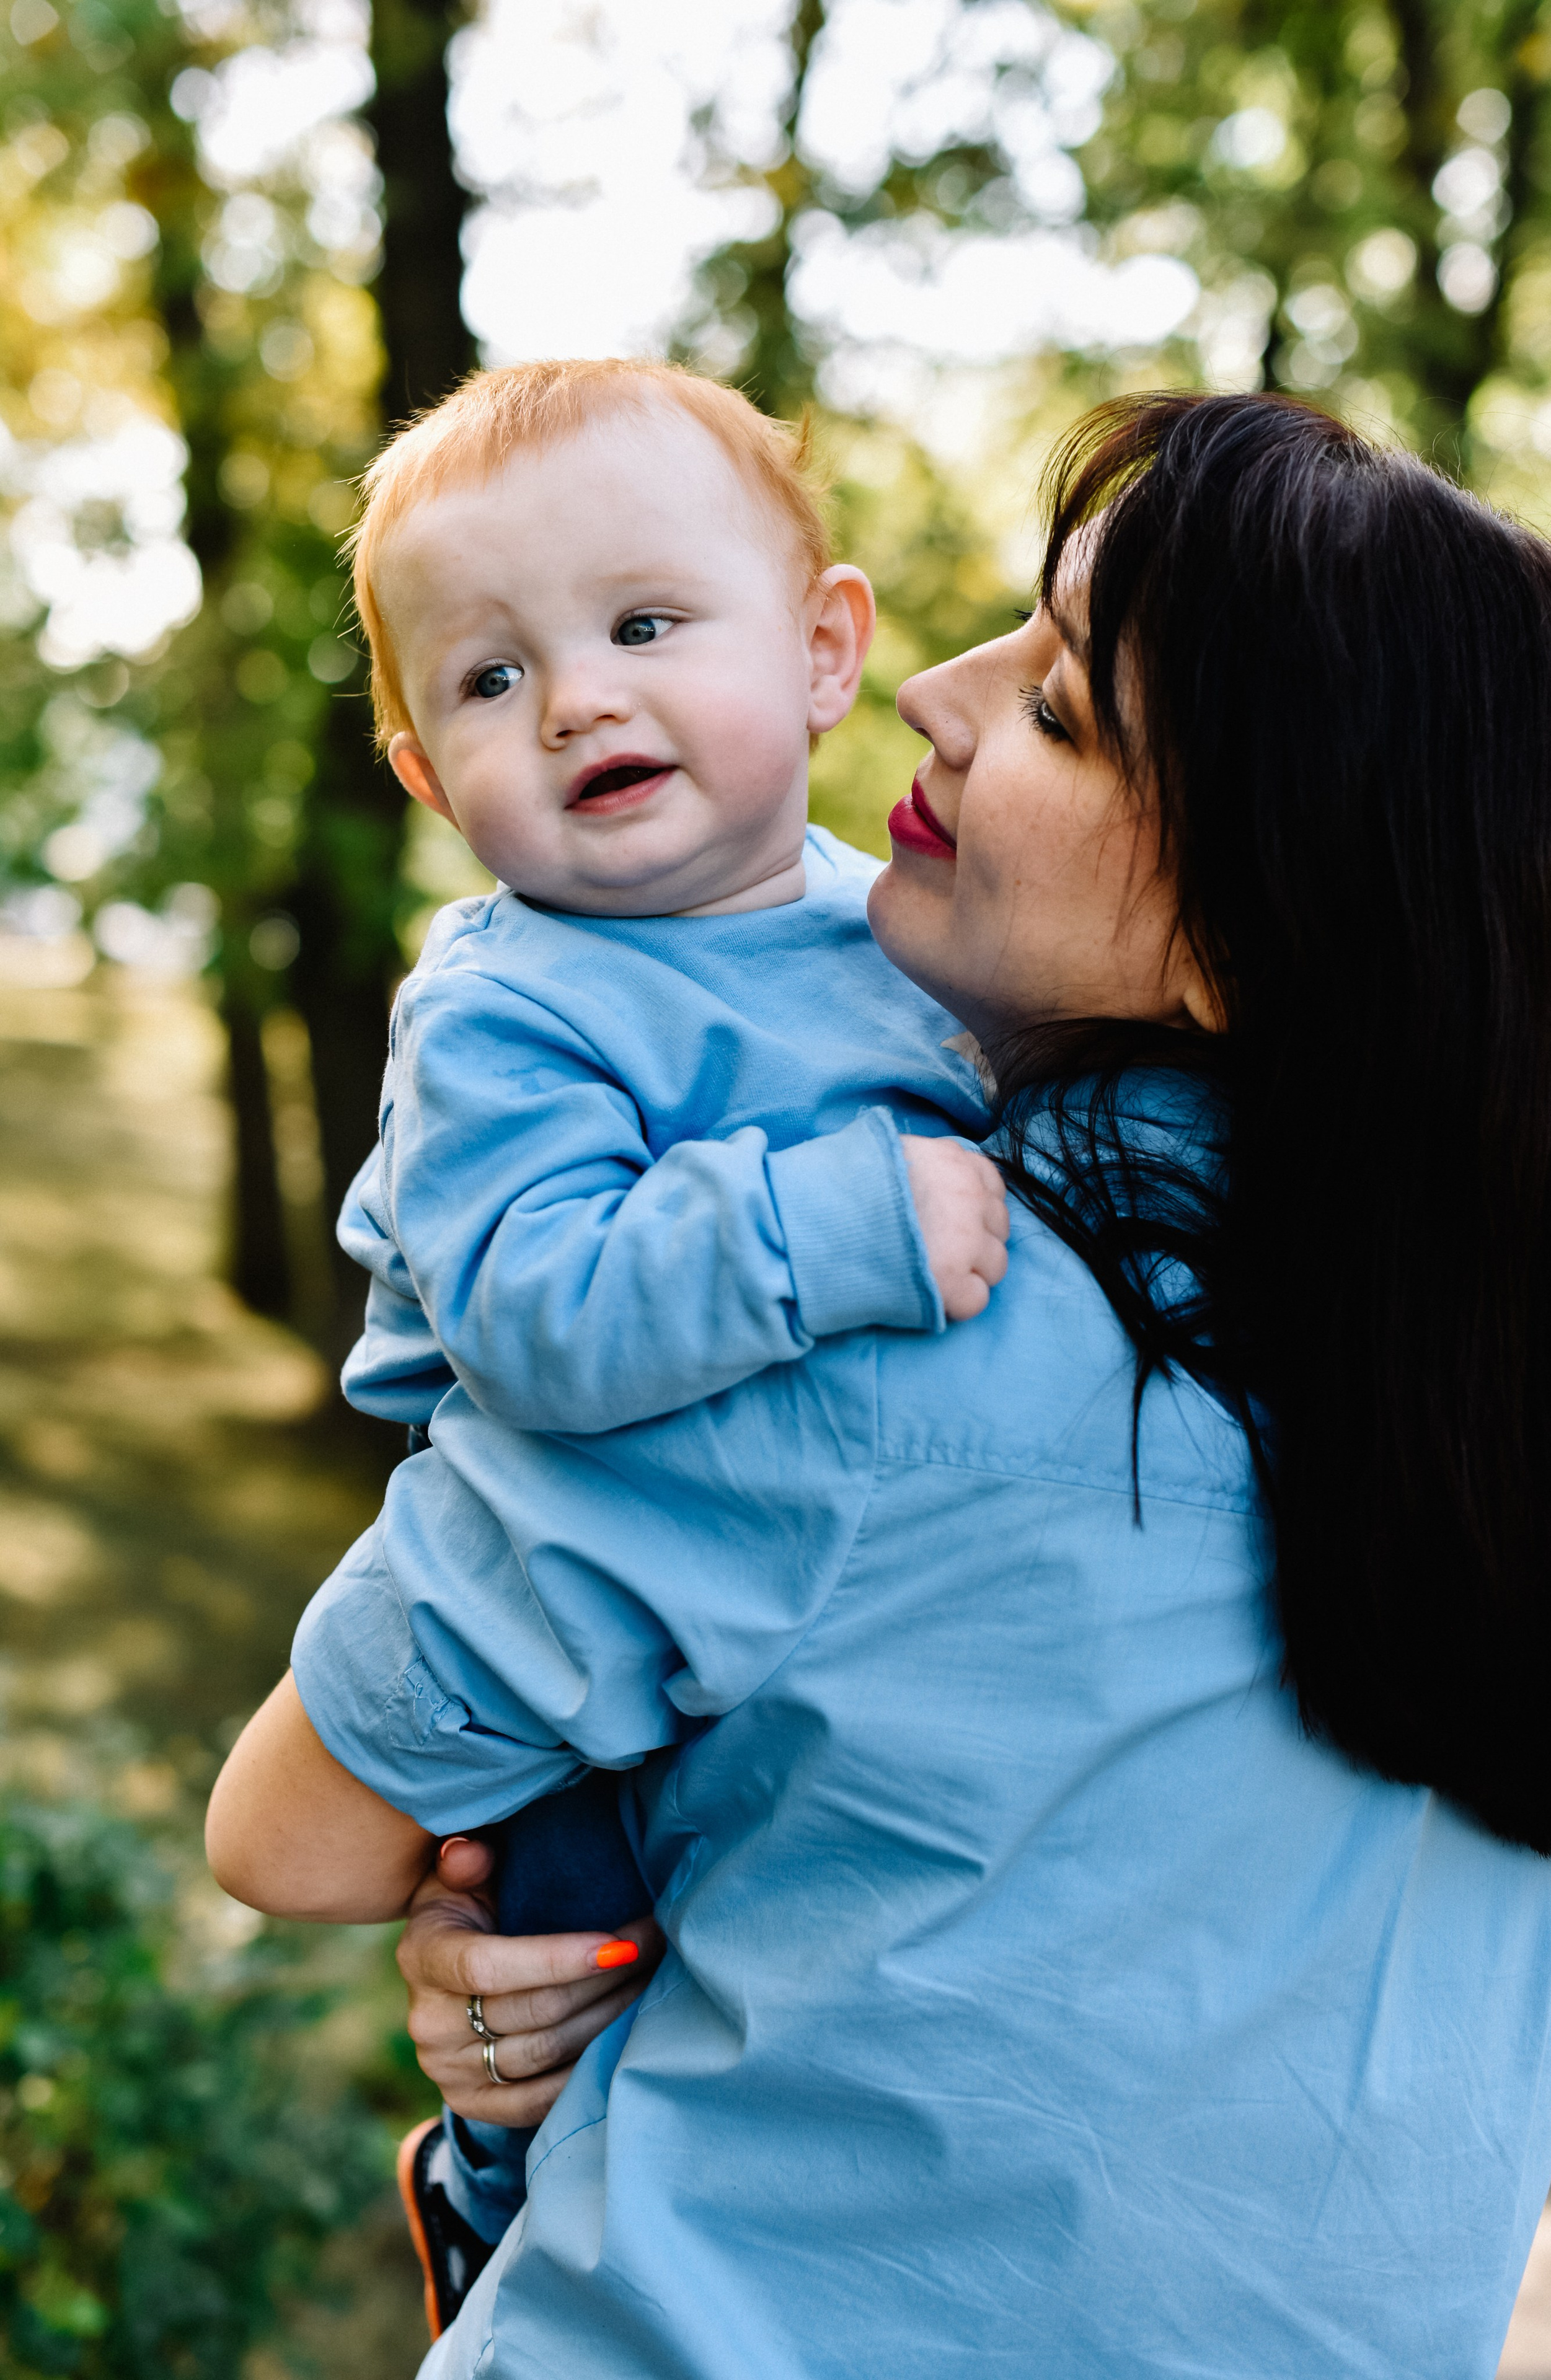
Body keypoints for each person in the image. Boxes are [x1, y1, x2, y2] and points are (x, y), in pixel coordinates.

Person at [209, 391, 1551, 2378]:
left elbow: (292, 1838)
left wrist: (519, 1983)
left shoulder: (873, 1336)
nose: (933, 694)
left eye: (1056, 712)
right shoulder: (1505, 1435)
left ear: (1252, 931)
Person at [270, 355, 1008, 2314]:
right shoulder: (511, 1006)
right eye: (491, 681)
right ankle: (506, 2217)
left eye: (647, 624)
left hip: (809, 1615)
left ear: (829, 648)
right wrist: (828, 1220)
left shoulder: (911, 933)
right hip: (562, 1605)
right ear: (428, 778)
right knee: (574, 1960)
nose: (578, 695)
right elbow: (534, 1317)